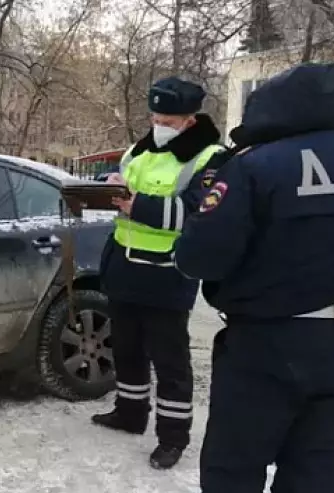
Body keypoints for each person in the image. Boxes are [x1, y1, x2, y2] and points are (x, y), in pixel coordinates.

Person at [174, 63, 334, 493]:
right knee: (314, 464)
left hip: (265, 344)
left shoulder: (256, 165)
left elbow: (198, 258)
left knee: (236, 462)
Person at [91, 76, 225, 470]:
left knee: (170, 362)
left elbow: (199, 214)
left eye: (167, 117)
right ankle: (130, 413)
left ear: (189, 119)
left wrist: (137, 206)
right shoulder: (140, 148)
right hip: (124, 267)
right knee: (127, 350)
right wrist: (105, 186)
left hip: (167, 274)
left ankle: (172, 437)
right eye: (155, 115)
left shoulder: (210, 157)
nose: (159, 123)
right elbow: (119, 181)